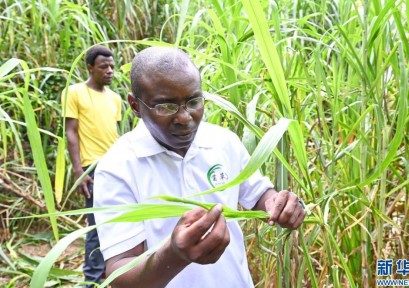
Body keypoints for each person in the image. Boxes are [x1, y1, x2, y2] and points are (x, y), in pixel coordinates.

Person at [93, 46, 305, 288]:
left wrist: (280, 204)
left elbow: (259, 195)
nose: (184, 118)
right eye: (165, 106)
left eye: (193, 101)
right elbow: (120, 277)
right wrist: (174, 255)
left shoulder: (223, 142)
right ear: (135, 106)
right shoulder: (118, 166)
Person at [61, 45, 122, 287]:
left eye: (112, 67)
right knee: (96, 227)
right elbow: (71, 132)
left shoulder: (115, 98)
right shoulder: (75, 92)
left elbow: (115, 133)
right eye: (103, 67)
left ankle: (113, 274)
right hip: (92, 169)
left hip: (116, 166)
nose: (109, 71)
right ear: (90, 68)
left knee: (120, 222)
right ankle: (93, 281)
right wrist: (79, 171)